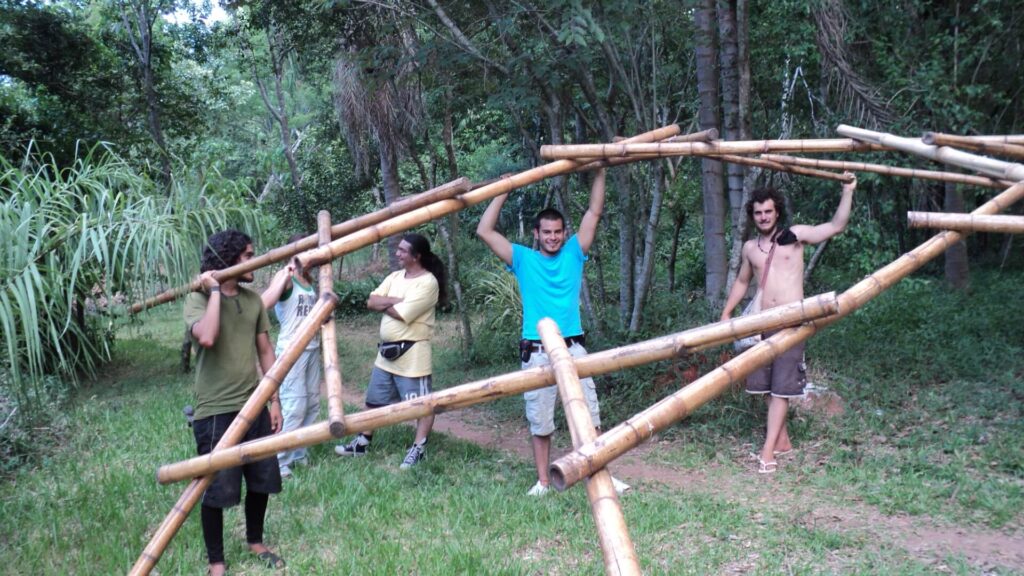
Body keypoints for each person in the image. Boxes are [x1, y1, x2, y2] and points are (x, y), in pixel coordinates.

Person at [476, 167, 628, 497]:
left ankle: (600, 471)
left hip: (573, 347)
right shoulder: (522, 258)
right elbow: (484, 230)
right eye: (547, 232)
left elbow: (594, 212)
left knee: (589, 412)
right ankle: (543, 481)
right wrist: (505, 187)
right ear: (536, 233)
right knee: (540, 419)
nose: (553, 237)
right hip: (536, 350)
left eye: (558, 232)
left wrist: (601, 168)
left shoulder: (575, 252)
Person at [720, 174, 857, 474]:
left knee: (782, 388)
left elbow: (836, 226)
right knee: (766, 388)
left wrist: (847, 191)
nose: (763, 216)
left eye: (768, 211)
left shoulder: (795, 235)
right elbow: (743, 281)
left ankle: (768, 451)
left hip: (792, 322)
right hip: (760, 324)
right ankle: (781, 440)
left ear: (777, 211)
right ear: (752, 216)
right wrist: (726, 314)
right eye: (758, 212)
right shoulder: (750, 248)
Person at [183, 229, 285, 575]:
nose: (253, 261)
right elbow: (208, 337)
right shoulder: (196, 299)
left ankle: (255, 541)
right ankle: (217, 562)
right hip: (215, 409)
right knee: (216, 487)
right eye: (246, 256)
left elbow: (266, 351)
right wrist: (214, 291)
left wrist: (274, 400)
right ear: (227, 260)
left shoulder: (254, 300)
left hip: (253, 403)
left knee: (262, 478)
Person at [335, 233, 447, 469]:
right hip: (386, 354)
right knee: (373, 400)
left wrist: (385, 303)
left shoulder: (428, 282)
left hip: (413, 354)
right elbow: (370, 301)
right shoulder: (395, 276)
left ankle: (419, 447)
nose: (398, 253)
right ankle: (363, 441)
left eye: (403, 251)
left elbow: (401, 314)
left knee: (422, 404)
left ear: (416, 257)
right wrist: (397, 299)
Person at [262, 234, 321, 480]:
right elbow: (265, 302)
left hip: (312, 348)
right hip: (291, 350)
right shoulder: (285, 277)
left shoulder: (309, 280)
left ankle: (299, 452)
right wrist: (283, 276)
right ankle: (280, 459)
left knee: (313, 403)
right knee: (294, 404)